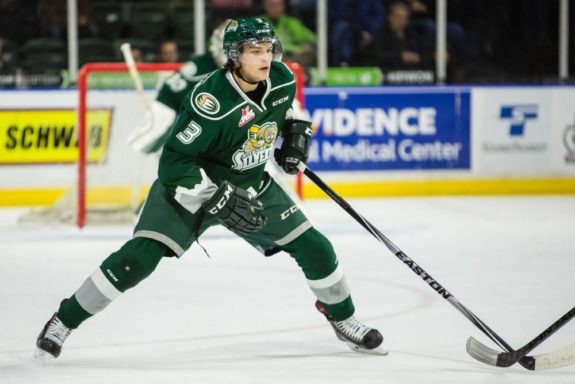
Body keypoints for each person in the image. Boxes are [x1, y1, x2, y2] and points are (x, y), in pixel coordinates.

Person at [35, 17, 387, 359]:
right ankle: (63, 321)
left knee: (316, 248)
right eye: (255, 51)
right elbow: (173, 162)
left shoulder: (281, 77)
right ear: (235, 56)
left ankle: (343, 318)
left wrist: (295, 133)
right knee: (137, 260)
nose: (265, 57)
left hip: (251, 183)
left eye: (269, 49)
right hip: (192, 189)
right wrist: (213, 195)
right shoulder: (210, 101)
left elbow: (286, 110)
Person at [127, 20, 229, 154]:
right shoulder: (201, 65)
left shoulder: (235, 70)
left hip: (198, 119)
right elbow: (172, 89)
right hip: (170, 109)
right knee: (143, 145)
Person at [365, 1, 432, 72]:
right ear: (390, 17)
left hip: (413, 77)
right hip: (387, 75)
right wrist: (400, 57)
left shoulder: (413, 36)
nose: (401, 21)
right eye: (398, 17)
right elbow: (376, 57)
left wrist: (419, 57)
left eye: (404, 18)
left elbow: (425, 53)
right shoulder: (379, 36)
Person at [261, 0, 317, 66]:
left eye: (278, 5)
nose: (275, 8)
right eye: (271, 5)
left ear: (283, 6)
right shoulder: (259, 23)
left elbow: (313, 38)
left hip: (295, 58)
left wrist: (307, 46)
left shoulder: (292, 22)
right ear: (264, 5)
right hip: (272, 59)